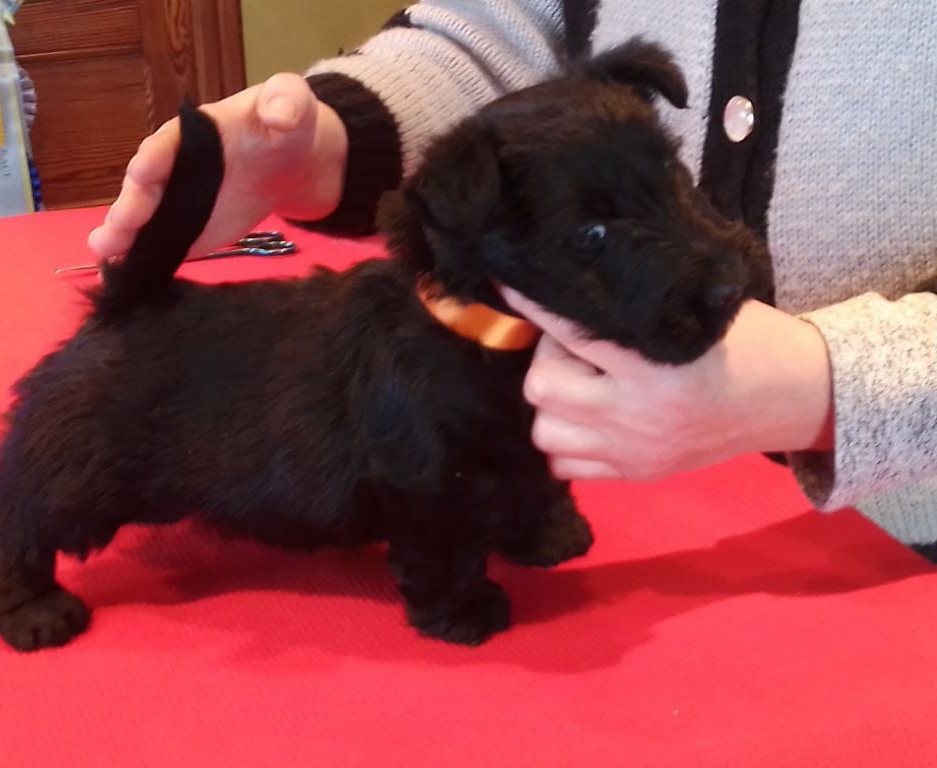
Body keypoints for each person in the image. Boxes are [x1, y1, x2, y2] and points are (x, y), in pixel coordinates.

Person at [88, 1, 937, 554]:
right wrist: (343, 137)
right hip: (662, 519)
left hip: (905, 541)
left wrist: (838, 388)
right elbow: (507, 24)